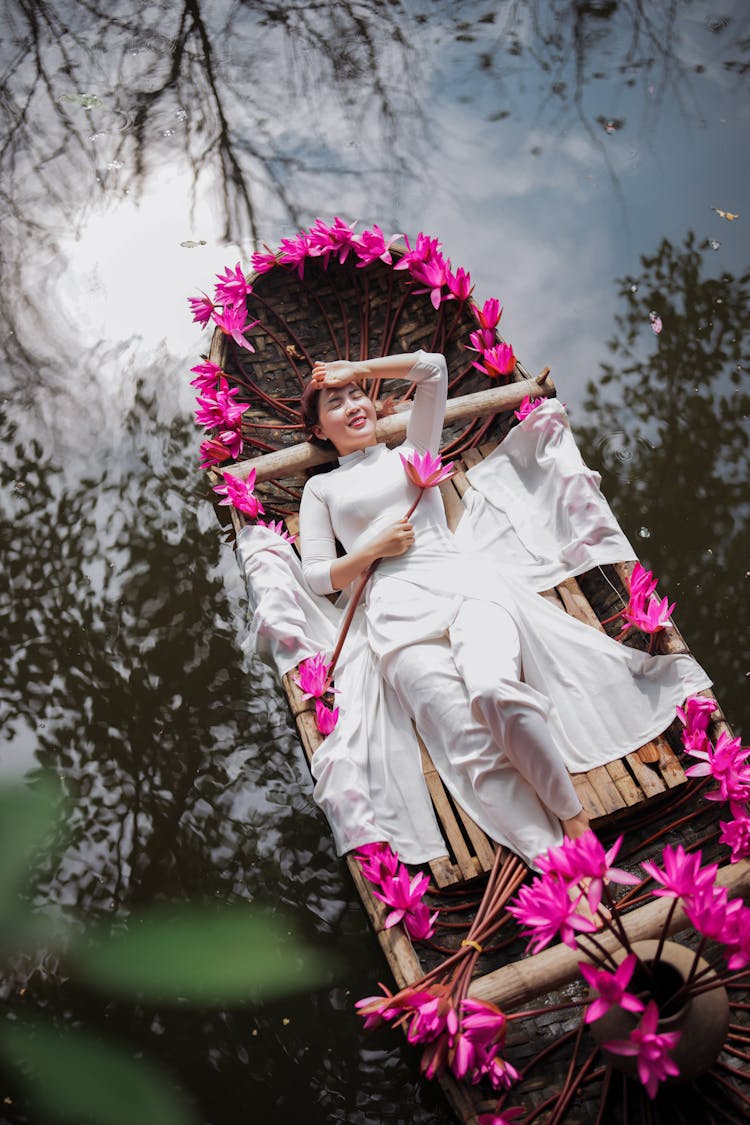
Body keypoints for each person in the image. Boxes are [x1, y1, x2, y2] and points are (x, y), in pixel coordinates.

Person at [296, 350, 711, 867]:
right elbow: (316, 577)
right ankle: (558, 865)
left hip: (464, 585)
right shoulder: (321, 488)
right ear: (317, 429)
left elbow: (434, 370)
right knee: (469, 744)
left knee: (492, 689)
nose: (353, 404)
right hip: (396, 623)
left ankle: (573, 817)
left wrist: (358, 371)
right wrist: (367, 552)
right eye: (335, 403)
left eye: (357, 395)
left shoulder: (409, 451)